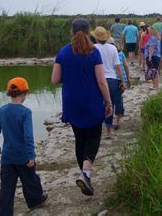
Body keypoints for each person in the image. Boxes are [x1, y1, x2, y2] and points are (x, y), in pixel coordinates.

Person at [51, 18, 112, 196]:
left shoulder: (63, 52)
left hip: (71, 102)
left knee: (80, 138)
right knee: (94, 135)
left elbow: (55, 80)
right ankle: (85, 172)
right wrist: (108, 102)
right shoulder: (94, 52)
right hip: (91, 100)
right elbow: (101, 81)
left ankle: (85, 176)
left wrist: (70, 75)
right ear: (88, 32)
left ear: (72, 32)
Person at [0, 77, 48, 215]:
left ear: (9, 92)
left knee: (6, 188)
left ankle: (4, 212)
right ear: (25, 92)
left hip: (7, 158)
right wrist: (31, 155)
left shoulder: (2, 110)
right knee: (31, 180)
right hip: (23, 156)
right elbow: (28, 136)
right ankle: (36, 201)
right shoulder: (25, 112)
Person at [92, 27, 127, 138]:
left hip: (96, 79)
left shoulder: (92, 48)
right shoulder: (112, 49)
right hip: (112, 79)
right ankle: (108, 131)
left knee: (97, 104)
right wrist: (122, 81)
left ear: (95, 38)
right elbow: (118, 67)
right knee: (109, 104)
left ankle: (98, 128)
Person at [108, 37, 129, 129]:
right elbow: (126, 66)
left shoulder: (106, 54)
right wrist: (127, 78)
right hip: (121, 78)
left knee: (111, 100)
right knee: (118, 99)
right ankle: (116, 120)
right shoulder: (121, 54)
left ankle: (111, 119)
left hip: (110, 79)